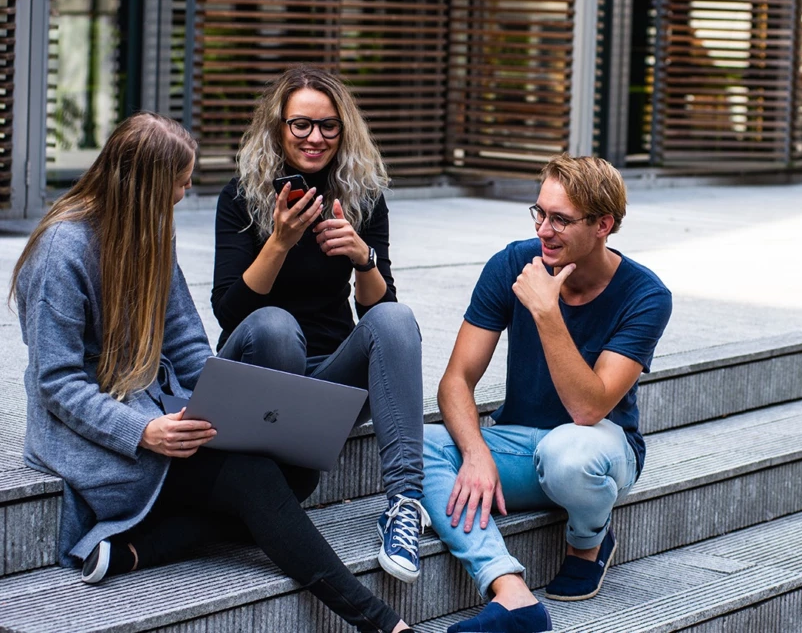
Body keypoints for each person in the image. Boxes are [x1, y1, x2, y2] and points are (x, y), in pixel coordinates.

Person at [10, 113, 415, 633]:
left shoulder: (150, 232)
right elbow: (57, 383)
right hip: (99, 436)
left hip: (162, 413)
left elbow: (186, 343)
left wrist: (221, 404)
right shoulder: (61, 251)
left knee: (298, 473)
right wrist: (144, 431)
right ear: (146, 184)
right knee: (256, 480)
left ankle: (142, 547)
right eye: (179, 184)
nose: (182, 196)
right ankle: (380, 621)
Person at [423, 154, 672, 633]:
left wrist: (547, 312)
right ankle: (509, 591)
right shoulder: (513, 263)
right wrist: (475, 453)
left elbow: (589, 407)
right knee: (419, 444)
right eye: (539, 213)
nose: (544, 229)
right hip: (518, 443)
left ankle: (588, 540)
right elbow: (456, 380)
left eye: (560, 219)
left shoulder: (646, 295)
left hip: (598, 447)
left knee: (568, 453)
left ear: (604, 224)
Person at [211, 66, 428, 584]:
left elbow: (380, 315)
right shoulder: (241, 197)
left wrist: (363, 257)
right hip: (259, 371)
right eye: (301, 124)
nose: (315, 138)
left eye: (329, 126)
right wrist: (280, 241)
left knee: (397, 319)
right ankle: (269, 483)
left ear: (344, 130)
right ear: (278, 127)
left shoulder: (362, 196)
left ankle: (403, 505)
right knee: (275, 326)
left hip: (328, 382)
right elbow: (229, 312)